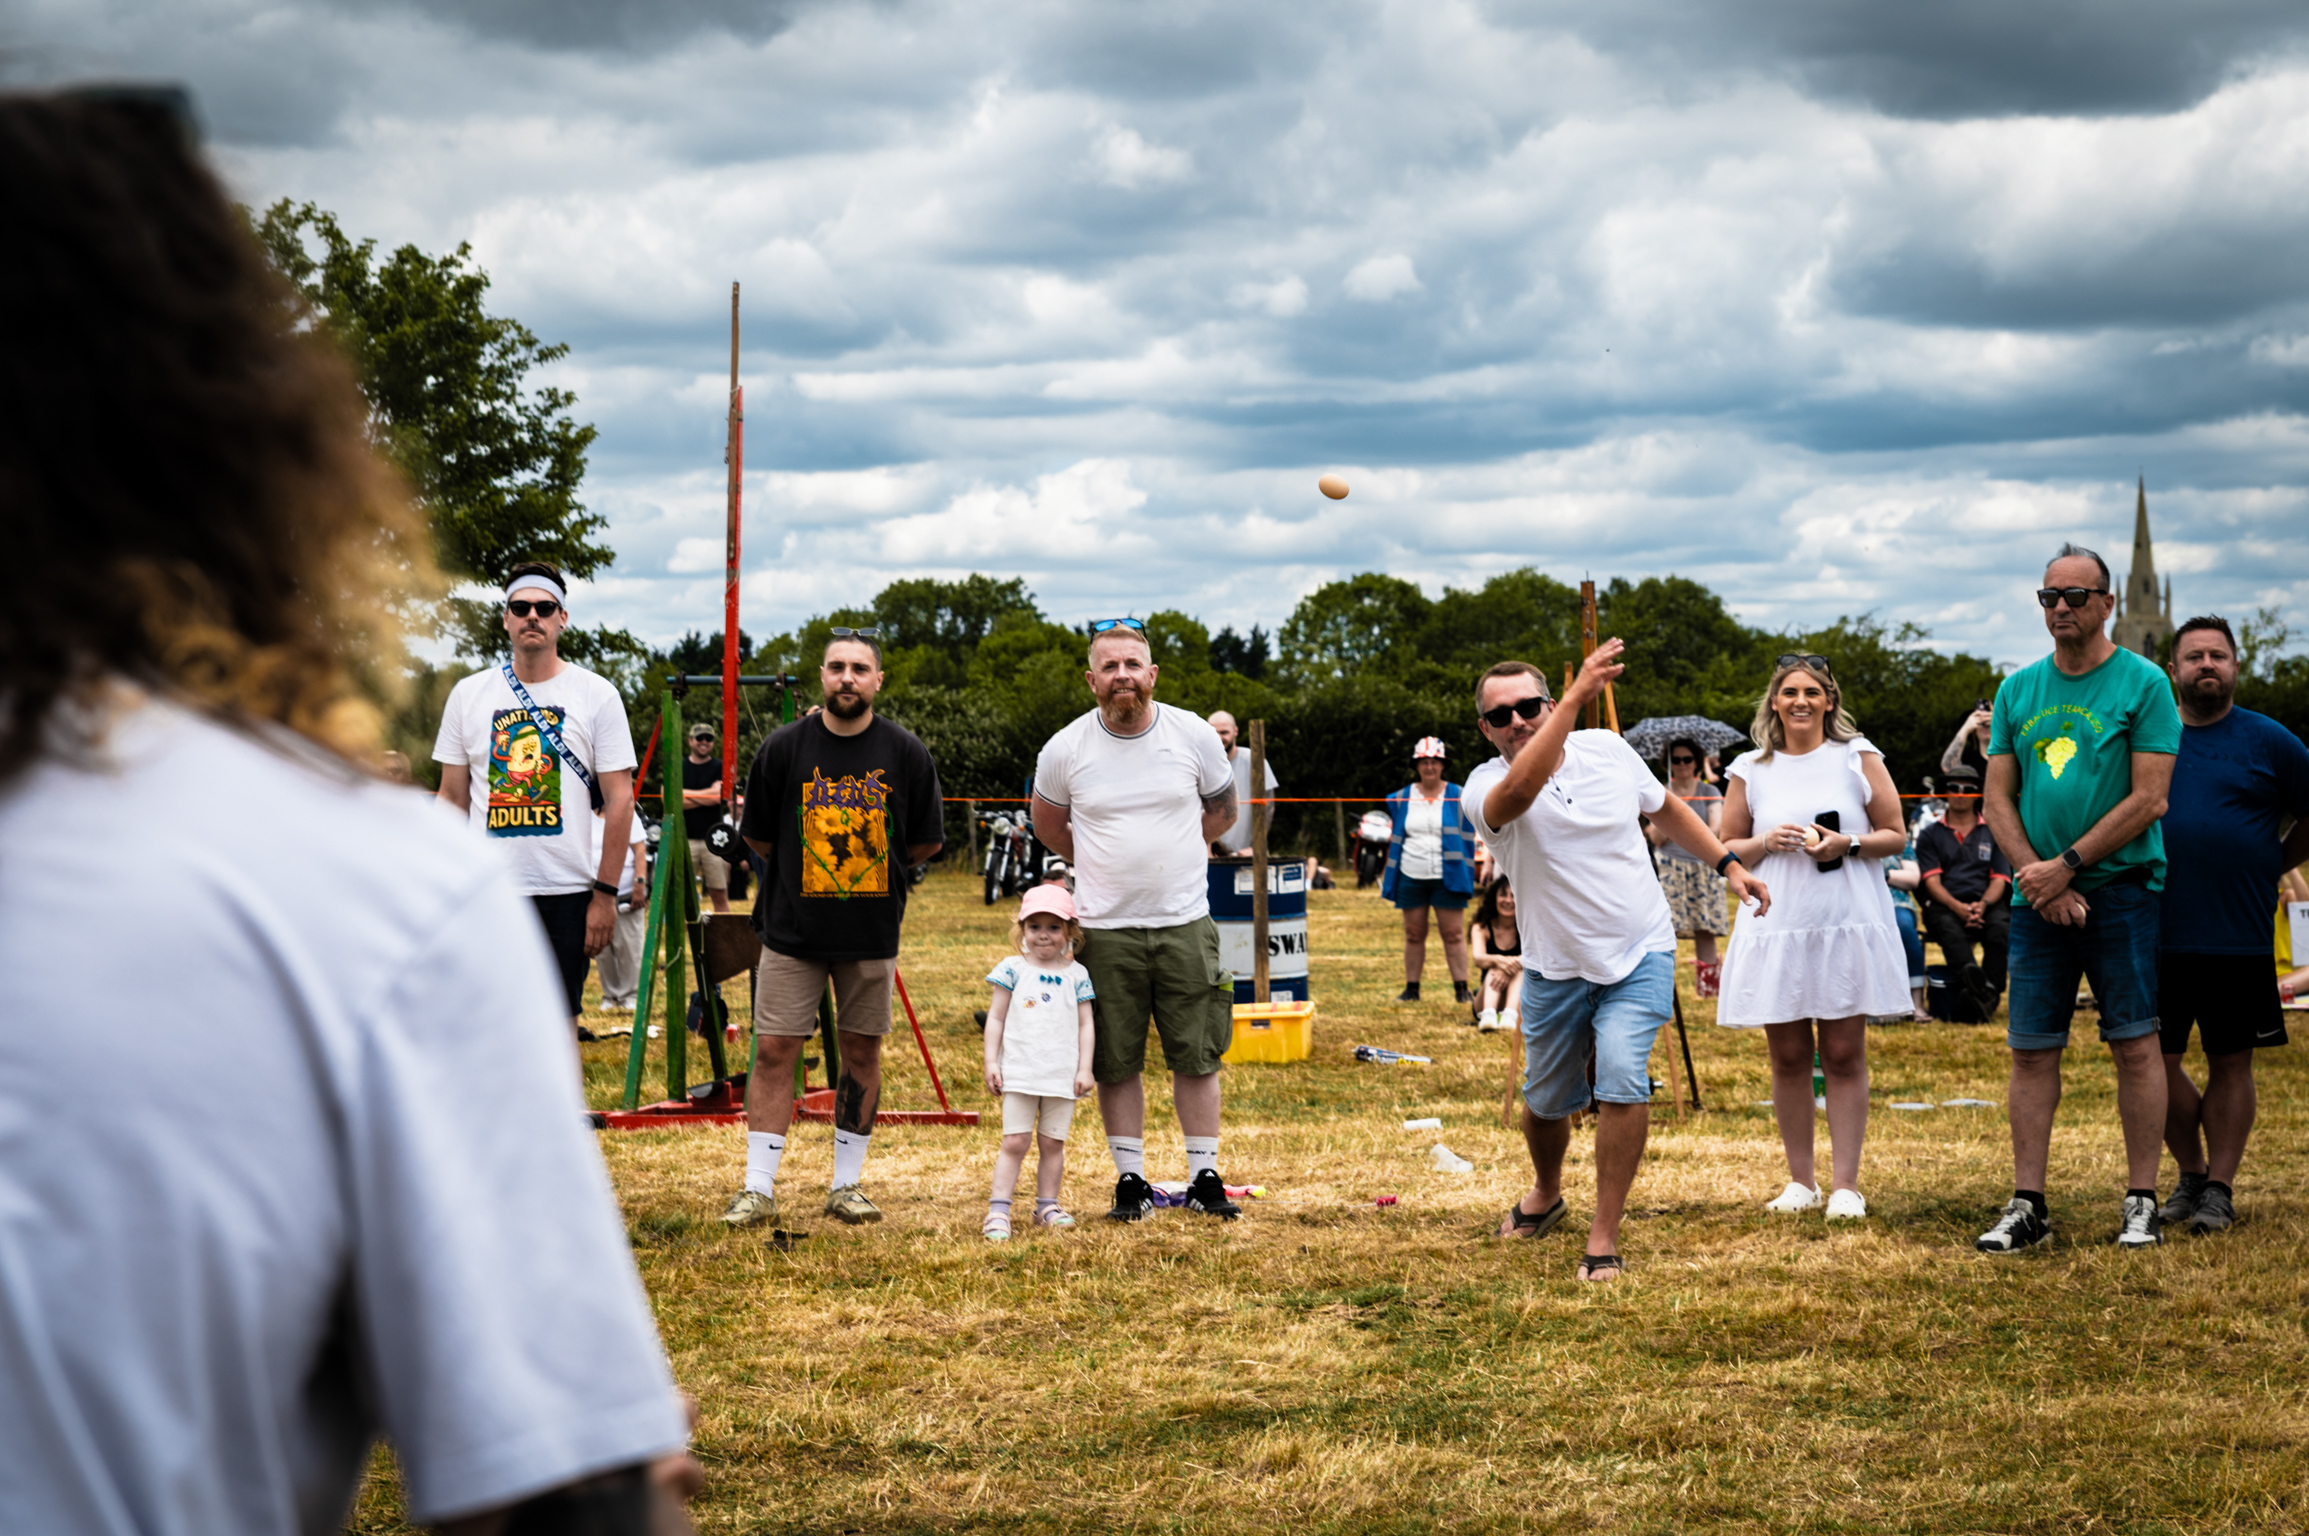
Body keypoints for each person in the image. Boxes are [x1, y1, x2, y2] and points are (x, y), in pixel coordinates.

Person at [0, 88, 697, 1532]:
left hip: (551, 888)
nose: (521, 620)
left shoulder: (397, 864)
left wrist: (619, 879)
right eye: (510, 605)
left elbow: (621, 792)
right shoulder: (354, 889)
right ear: (234, 440)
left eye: (537, 605)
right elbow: (579, 1501)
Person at [1464, 643, 1770, 1281]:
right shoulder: (1484, 785)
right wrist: (1573, 703)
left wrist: (1729, 864)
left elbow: (1667, 809)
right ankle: (1546, 1192)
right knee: (1546, 1100)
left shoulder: (1606, 749)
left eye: (1530, 707)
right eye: (1502, 716)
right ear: (1485, 729)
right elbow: (1521, 792)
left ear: (1547, 702)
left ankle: (1604, 1234)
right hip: (1554, 963)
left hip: (1640, 947)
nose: (1518, 721)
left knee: (1624, 1078)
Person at [1976, 543, 2180, 1253]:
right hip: (2041, 897)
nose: (2059, 608)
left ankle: (2141, 1200)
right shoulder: (2016, 690)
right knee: (2030, 1051)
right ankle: (2027, 1202)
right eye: (2047, 597)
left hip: (2119, 892)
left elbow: (2149, 797)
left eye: (2073, 596)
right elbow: (1995, 797)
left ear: (2106, 603)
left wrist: (2065, 867)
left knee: (2133, 1043)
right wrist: (2036, 876)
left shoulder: (2144, 683)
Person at [722, 628, 945, 1230]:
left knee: (861, 1052)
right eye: (836, 667)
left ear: (878, 680)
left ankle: (847, 1185)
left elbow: (922, 842)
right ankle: (757, 1188)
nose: (847, 678)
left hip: (869, 932)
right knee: (773, 1050)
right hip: (791, 929)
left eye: (859, 669)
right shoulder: (784, 747)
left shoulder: (904, 752)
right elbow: (759, 835)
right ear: (821, 676)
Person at [1031, 619, 1245, 1223]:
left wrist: (1172, 849)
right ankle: (1132, 1181)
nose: (1121, 675)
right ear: (1091, 679)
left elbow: (1224, 812)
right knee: (1115, 1060)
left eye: (1132, 664)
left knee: (1197, 1054)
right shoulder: (1065, 748)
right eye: (1109, 666)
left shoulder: (1194, 734)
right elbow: (1049, 826)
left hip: (1185, 922)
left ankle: (1205, 1175)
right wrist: (1102, 859)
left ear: (1151, 674)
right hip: (1103, 928)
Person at [1714, 656, 1912, 1220]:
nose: (1800, 701)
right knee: (1790, 1054)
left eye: (1812, 692)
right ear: (1773, 702)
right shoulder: (1749, 768)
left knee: (1845, 1051)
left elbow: (1893, 834)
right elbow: (1726, 845)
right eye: (1789, 692)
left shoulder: (1856, 755)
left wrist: (1844, 844)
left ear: (1829, 700)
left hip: (1843, 916)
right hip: (1779, 920)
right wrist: (1765, 842)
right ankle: (1801, 1181)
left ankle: (1846, 1184)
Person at [435, 558, 640, 1036]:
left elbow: (621, 801)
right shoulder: (469, 695)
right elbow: (450, 798)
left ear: (562, 618)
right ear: (505, 617)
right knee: (485, 1018)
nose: (533, 616)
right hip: (488, 888)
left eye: (545, 607)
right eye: (520, 607)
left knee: (557, 1021)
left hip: (566, 891)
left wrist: (606, 895)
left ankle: (561, 1114)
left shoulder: (596, 695)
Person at [2153, 616, 2309, 1234]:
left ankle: (2220, 1186)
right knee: (2150, 1062)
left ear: (2236, 667)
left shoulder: (2271, 741)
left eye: (2218, 655)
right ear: (2174, 672)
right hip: (2153, 930)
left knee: (2231, 1061)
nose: (2207, 665)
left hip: (2237, 930)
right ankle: (2190, 1170)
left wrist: (2275, 858)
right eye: (2194, 657)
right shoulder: (2150, 737)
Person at [980, 885, 1098, 1240]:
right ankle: (998, 1210)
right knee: (1015, 1141)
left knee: (1052, 1143)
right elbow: (996, 1019)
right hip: (1020, 1072)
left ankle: (1047, 1204)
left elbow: (1086, 1023)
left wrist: (1084, 1068)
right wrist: (991, 1061)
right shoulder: (1012, 969)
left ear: (1069, 932)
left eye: (1053, 927)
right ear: (1022, 930)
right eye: (1035, 926)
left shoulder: (1077, 975)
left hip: (1061, 1075)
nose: (1043, 935)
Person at [1381, 738, 1479, 1004]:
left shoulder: (1459, 795)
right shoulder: (1401, 798)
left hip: (1449, 874)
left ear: (1442, 764)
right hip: (1411, 874)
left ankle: (1462, 989)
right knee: (1413, 934)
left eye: (1434, 761)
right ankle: (1412, 989)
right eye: (1424, 762)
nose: (1429, 767)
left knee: (1454, 934)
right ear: (1417, 765)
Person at [1916, 768, 2012, 1022]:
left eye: (1968, 789)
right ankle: (1984, 995)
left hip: (1987, 902)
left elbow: (2000, 879)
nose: (1960, 794)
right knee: (1947, 927)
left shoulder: (1994, 831)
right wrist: (1958, 907)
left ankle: (1985, 995)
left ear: (1978, 794)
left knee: (2001, 928)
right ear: (1945, 793)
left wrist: (1982, 906)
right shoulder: (1929, 835)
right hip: (1944, 903)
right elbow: (1932, 883)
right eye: (1954, 788)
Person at [1647, 736, 1730, 997]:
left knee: (1705, 927)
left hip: (1703, 864)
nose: (1682, 764)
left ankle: (1708, 989)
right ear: (1668, 763)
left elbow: (1714, 829)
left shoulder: (1709, 791)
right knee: (1665, 927)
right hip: (1670, 867)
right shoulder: (1660, 791)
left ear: (1696, 762)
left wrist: (1677, 818)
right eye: (1676, 760)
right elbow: (1656, 838)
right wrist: (1673, 806)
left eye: (1687, 759)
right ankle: (1662, 987)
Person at [593, 813, 652, 1014]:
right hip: (595, 892)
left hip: (625, 890)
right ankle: (610, 995)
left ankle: (631, 995)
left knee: (629, 946)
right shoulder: (582, 812)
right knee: (602, 948)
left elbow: (640, 851)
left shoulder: (626, 813)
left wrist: (640, 883)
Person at [680, 721, 733, 914]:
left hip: (715, 839)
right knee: (684, 894)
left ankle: (723, 934)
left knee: (718, 893)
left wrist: (685, 795)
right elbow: (668, 798)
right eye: (700, 738)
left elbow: (721, 797)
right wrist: (708, 794)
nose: (704, 742)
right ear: (690, 741)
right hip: (685, 838)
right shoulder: (679, 766)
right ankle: (687, 935)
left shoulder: (720, 766)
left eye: (708, 738)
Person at [1209, 709, 1278, 855]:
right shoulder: (1203, 763)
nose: (1219, 738)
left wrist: (1256, 846)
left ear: (1236, 731)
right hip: (1210, 854)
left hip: (1247, 852)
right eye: (1214, 732)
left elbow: (1268, 806)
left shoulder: (1254, 760)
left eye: (1224, 732)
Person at [1468, 876, 1522, 1033]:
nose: (1508, 901)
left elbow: (1537, 957)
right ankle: (1488, 1016)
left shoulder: (1527, 928)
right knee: (1493, 969)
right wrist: (1500, 961)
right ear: (1494, 898)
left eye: (1514, 896)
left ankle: (1510, 1016)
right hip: (1486, 999)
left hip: (1519, 998)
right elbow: (1478, 958)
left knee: (1520, 971)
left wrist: (1512, 966)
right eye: (1503, 895)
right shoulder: (1481, 926)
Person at [1941, 702, 1993, 778]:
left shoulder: (2009, 756)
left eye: (1991, 722)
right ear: (1974, 730)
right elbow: (1947, 768)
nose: (1987, 725)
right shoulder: (1967, 757)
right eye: (1982, 722)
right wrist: (1966, 728)